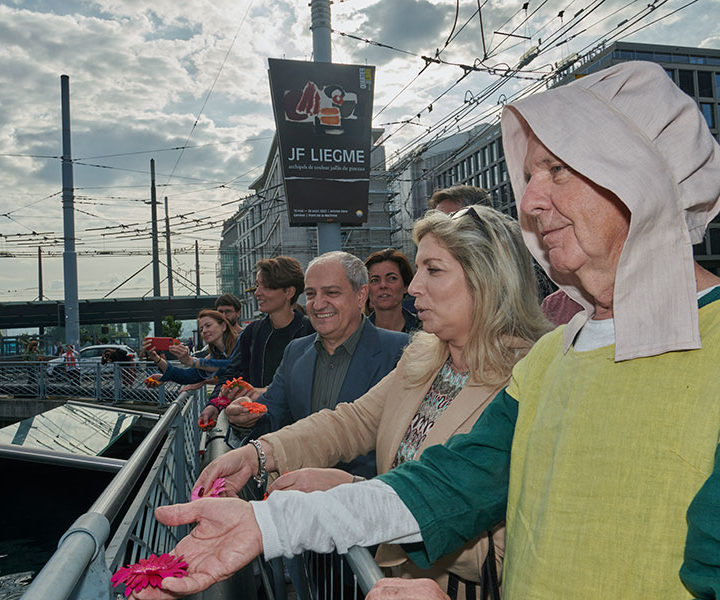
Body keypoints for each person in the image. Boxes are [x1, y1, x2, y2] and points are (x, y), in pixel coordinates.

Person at [128, 62, 720, 600]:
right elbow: (449, 484)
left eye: (557, 171)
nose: (531, 199)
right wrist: (266, 523)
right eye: (530, 174)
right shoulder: (555, 357)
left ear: (639, 177)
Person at [194, 206, 549, 595]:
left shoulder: (531, 378)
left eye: (433, 270)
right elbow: (353, 421)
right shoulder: (423, 357)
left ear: (488, 280)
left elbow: (515, 540)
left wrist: (351, 488)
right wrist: (260, 453)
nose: (413, 289)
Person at [224, 251, 409, 479]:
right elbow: (271, 415)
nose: (318, 304)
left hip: (370, 499)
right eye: (311, 294)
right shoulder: (295, 352)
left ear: (361, 295)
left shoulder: (402, 352)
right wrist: (243, 416)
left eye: (331, 292)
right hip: (301, 499)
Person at [199, 256, 314, 428]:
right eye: (258, 285)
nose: (257, 292)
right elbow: (232, 374)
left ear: (289, 292)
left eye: (265, 286)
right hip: (260, 426)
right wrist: (214, 405)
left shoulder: (312, 331)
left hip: (302, 429)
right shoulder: (252, 333)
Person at [143, 309, 240, 404]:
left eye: (208, 326)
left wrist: (192, 361)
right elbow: (187, 376)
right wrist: (157, 359)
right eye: (201, 329)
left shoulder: (241, 343)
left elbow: (232, 365)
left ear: (223, 326)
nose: (204, 331)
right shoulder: (216, 354)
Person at [364, 248, 420, 334]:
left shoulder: (425, 330)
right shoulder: (356, 335)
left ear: (406, 286)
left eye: (392, 278)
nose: (383, 285)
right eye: (375, 280)